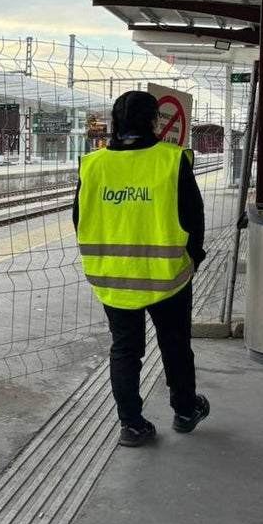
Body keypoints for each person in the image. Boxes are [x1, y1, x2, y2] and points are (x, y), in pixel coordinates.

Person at [73, 90, 210, 448]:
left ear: (115, 123)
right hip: (168, 279)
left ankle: (131, 425)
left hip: (112, 279)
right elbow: (193, 217)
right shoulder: (172, 159)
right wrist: (194, 257)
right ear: (154, 123)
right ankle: (184, 410)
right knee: (176, 345)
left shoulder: (92, 164)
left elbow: (79, 218)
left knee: (125, 349)